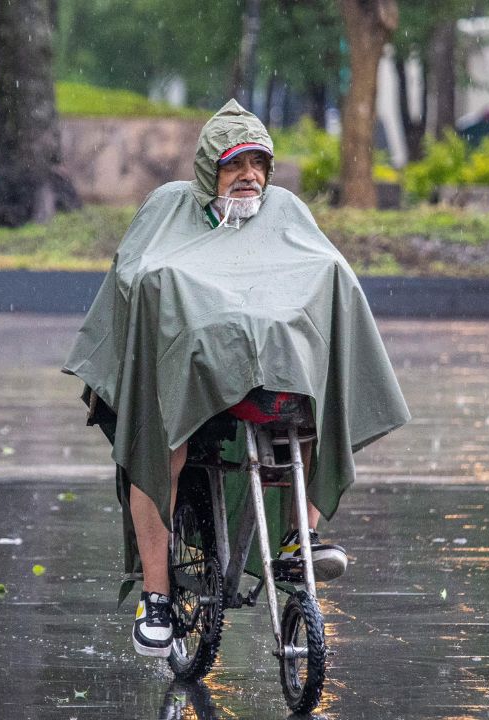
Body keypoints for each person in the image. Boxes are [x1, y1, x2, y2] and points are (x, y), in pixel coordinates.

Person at [63, 100, 410, 659]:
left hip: (276, 381)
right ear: (208, 171)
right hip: (186, 383)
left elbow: (327, 274)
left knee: (320, 407)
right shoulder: (168, 210)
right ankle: (156, 596)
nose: (249, 175)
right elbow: (139, 278)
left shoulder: (285, 212)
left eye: (259, 163)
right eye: (235, 164)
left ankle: (301, 536)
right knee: (161, 444)